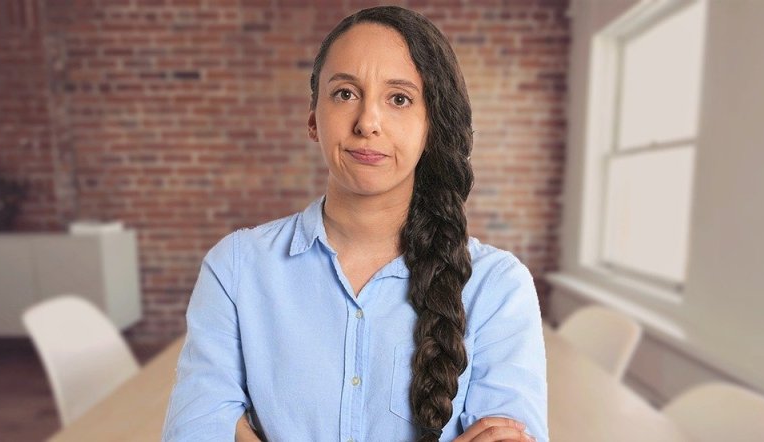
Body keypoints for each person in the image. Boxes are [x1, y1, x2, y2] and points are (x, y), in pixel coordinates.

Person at [162, 6, 547, 442]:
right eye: (345, 93)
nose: (368, 123)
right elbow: (194, 429)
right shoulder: (234, 267)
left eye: (399, 99)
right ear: (313, 118)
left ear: (431, 127)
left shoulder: (498, 286)